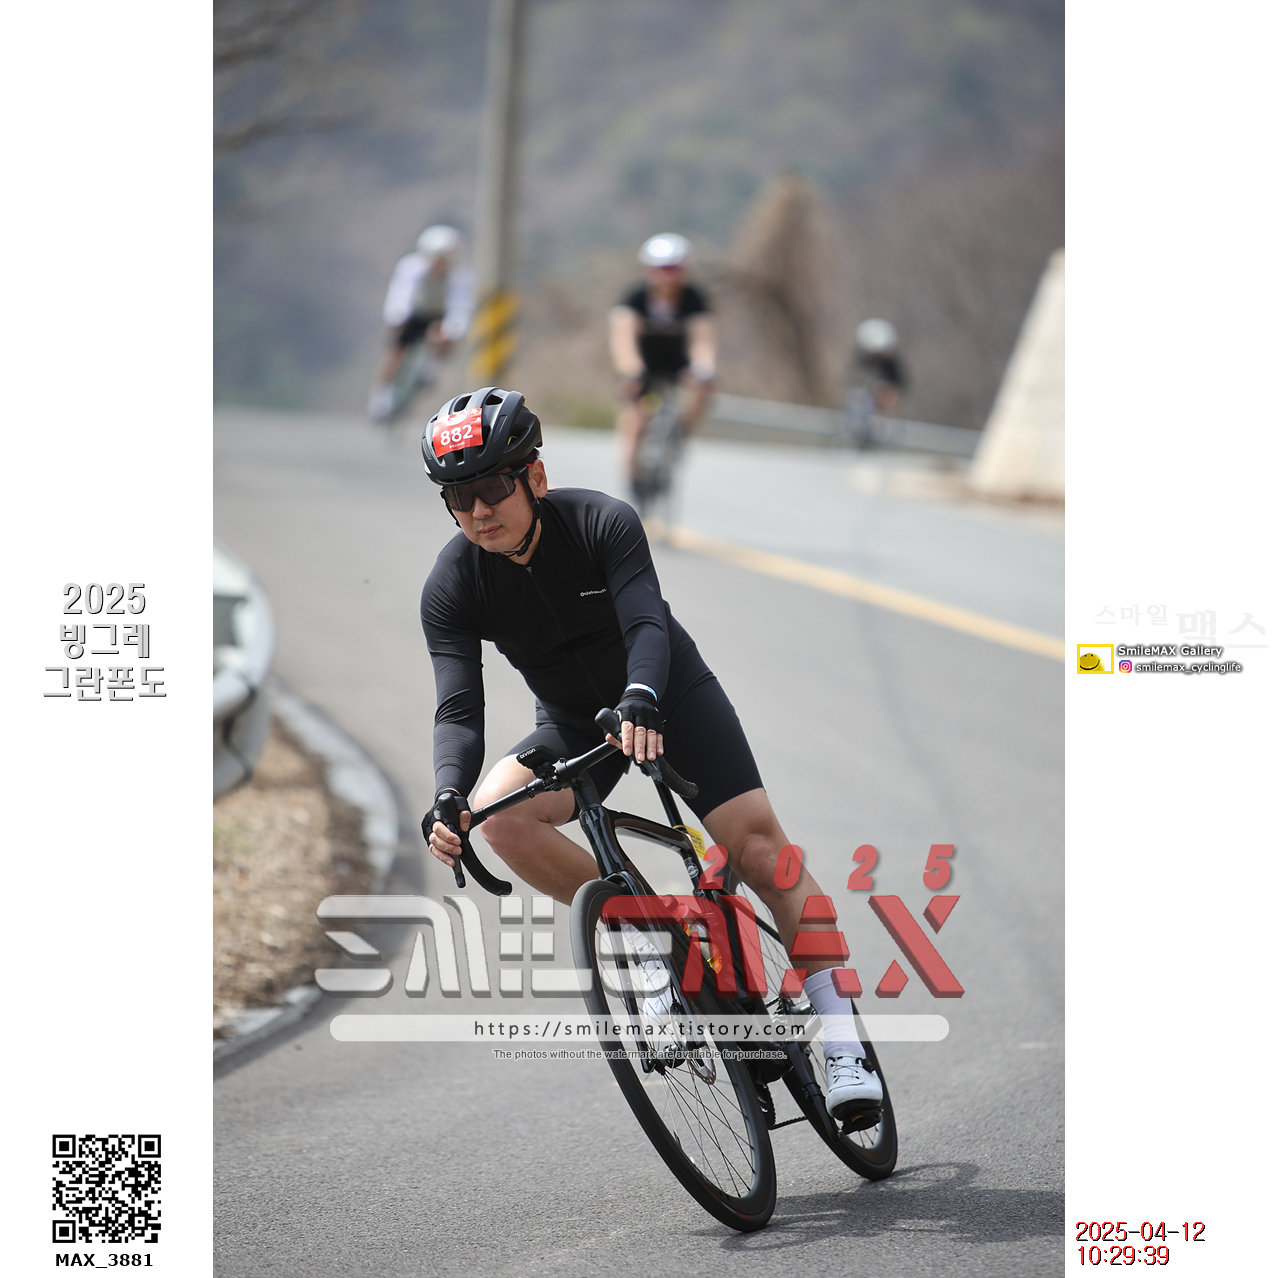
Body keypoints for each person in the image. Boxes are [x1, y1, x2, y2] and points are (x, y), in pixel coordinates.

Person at [419, 384, 882, 1119]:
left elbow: (645, 625)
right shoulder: (452, 584)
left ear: (535, 476)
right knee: (497, 816)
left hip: (667, 690)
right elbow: (458, 706)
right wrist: (449, 794)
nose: (478, 511)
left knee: (761, 853)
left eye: (492, 488)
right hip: (574, 723)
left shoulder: (602, 521)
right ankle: (650, 937)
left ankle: (844, 1042)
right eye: (457, 497)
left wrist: (642, 695)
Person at [608, 233, 717, 493]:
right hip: (643, 362)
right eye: (663, 269)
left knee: (703, 390)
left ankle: (680, 435)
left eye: (675, 269)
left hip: (677, 361)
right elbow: (623, 339)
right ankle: (632, 473)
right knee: (636, 416)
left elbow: (702, 339)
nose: (669, 276)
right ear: (650, 270)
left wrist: (704, 369)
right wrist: (631, 372)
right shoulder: (635, 298)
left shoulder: (693, 298)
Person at [368, 225, 474, 423]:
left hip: (438, 316)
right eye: (438, 258)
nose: (441, 263)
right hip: (414, 313)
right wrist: (396, 319)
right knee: (396, 351)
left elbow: (460, 307)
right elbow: (401, 294)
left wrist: (451, 332)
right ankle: (381, 397)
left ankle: (431, 369)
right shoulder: (411, 267)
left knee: (444, 338)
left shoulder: (461, 276)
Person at [844, 318, 907, 448]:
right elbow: (852, 385)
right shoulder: (861, 365)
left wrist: (886, 398)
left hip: (881, 416)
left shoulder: (891, 368)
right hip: (861, 412)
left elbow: (897, 391)